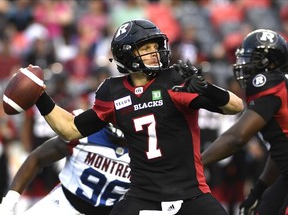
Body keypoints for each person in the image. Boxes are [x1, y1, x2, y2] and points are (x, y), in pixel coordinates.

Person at [28, 19, 243, 214]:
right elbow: (70, 129)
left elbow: (235, 106)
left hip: (191, 194)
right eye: (146, 48)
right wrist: (39, 96)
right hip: (143, 196)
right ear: (127, 54)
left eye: (155, 47)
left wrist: (207, 88)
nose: (154, 52)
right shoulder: (112, 91)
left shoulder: (174, 79)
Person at [201, 29, 288, 215]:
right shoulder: (281, 84)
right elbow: (280, 150)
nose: (244, 65)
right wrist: (259, 190)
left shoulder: (270, 84)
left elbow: (237, 137)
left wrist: (198, 162)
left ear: (269, 64)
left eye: (251, 59)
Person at [0, 112, 130, 215]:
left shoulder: (145, 150)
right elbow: (37, 157)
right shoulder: (86, 133)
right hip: (62, 205)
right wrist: (8, 203)